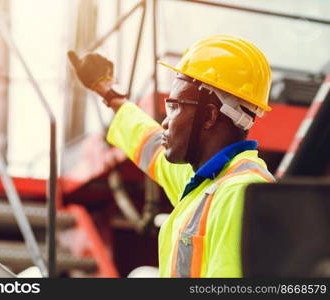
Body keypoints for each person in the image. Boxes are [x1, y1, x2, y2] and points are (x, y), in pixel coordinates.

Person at [68, 35, 275, 278]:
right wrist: (108, 92)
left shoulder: (241, 193)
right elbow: (150, 144)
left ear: (208, 116)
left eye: (175, 106)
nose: (165, 122)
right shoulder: (207, 182)